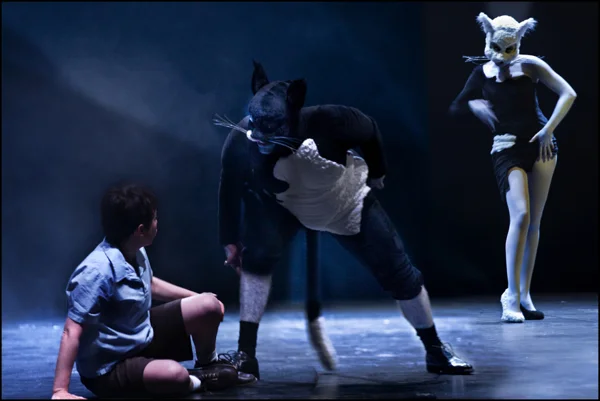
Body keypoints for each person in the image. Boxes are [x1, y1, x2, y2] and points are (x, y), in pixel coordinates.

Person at [213, 61, 474, 380]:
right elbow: (229, 187)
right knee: (256, 260)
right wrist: (229, 239)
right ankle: (246, 354)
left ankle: (434, 348)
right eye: (256, 127)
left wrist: (377, 172)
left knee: (399, 272)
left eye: (272, 130)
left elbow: (370, 129)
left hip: (344, 203)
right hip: (284, 205)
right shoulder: (242, 139)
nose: (260, 138)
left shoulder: (331, 120)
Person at [51, 184, 256, 400]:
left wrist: (199, 299)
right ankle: (198, 380)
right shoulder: (95, 271)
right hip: (110, 366)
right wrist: (60, 390)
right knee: (175, 375)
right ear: (141, 230)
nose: (158, 224)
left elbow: (150, 284)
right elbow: (71, 331)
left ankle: (209, 366)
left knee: (209, 305)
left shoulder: (135, 249)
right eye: (155, 219)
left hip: (140, 335)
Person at [449, 13, 577, 322]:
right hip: (506, 149)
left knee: (534, 222)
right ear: (488, 41)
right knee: (520, 215)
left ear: (518, 43)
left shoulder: (530, 65)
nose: (504, 55)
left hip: (542, 145)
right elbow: (457, 104)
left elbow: (568, 93)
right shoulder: (482, 72)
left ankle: (524, 293)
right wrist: (474, 104)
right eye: (498, 48)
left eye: (510, 48)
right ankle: (510, 295)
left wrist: (548, 129)